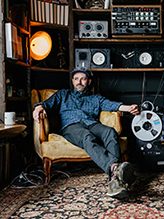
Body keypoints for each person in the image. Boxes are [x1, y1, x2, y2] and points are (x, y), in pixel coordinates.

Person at [32, 67, 140, 199]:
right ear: (72, 81)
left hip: (92, 124)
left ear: (88, 81)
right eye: (76, 79)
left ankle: (115, 180)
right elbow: (46, 104)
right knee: (87, 137)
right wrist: (38, 107)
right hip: (71, 126)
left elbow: (112, 105)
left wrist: (129, 108)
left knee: (110, 132)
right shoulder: (63, 94)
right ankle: (114, 168)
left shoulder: (96, 98)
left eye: (83, 79)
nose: (79, 82)